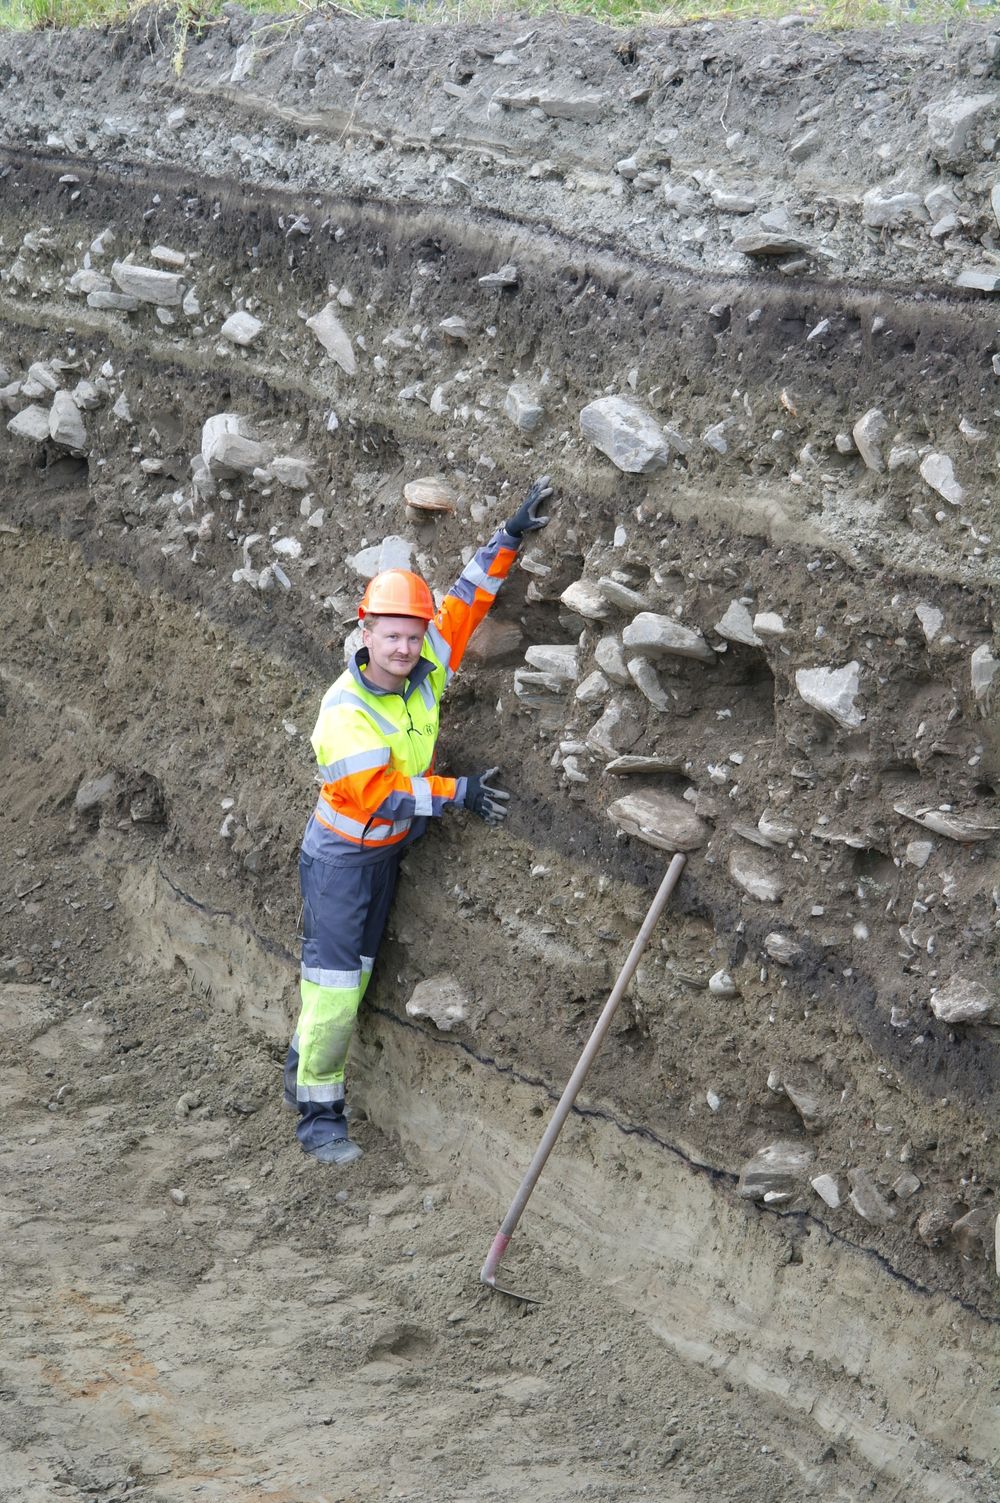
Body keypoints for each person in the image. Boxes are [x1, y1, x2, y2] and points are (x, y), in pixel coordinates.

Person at [283, 476, 555, 1164]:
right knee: (337, 988)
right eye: (392, 636)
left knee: (356, 973)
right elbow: (385, 795)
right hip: (344, 859)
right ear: (364, 630)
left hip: (385, 854)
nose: (406, 648)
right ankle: (318, 1114)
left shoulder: (428, 659)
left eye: (413, 635)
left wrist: (510, 537)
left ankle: (305, 1065)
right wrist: (458, 792)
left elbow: (465, 601)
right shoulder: (344, 714)